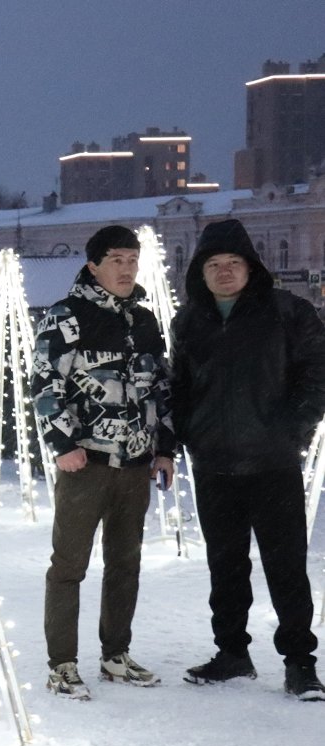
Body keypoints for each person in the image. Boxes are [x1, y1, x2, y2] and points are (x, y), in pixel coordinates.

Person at [169, 219, 325, 700]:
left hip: (272, 463)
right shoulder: (189, 321)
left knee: (286, 566)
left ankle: (300, 662)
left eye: (233, 262)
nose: (224, 271)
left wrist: (292, 428)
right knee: (226, 566)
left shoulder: (287, 311)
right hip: (213, 464)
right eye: (213, 264)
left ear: (251, 266)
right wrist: (187, 435)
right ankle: (232, 653)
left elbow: (318, 371)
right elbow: (179, 386)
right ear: (200, 272)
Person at [30, 225, 175, 700]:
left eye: (132, 259)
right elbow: (45, 383)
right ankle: (62, 663)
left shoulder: (144, 320)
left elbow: (161, 388)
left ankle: (116, 655)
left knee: (125, 563)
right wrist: (63, 444)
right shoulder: (67, 316)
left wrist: (165, 448)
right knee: (69, 564)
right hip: (85, 464)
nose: (127, 268)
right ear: (93, 266)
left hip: (134, 464)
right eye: (116, 259)